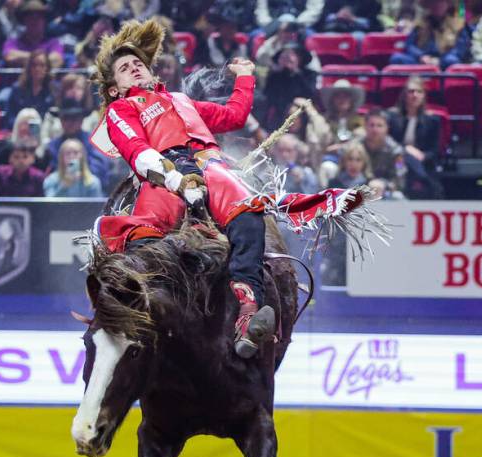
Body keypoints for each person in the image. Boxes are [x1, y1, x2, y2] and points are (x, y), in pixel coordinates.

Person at [89, 18, 371, 357]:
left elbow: (234, 116)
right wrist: (176, 179)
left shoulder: (182, 101)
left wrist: (245, 77)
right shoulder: (122, 108)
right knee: (144, 237)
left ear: (153, 73)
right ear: (114, 88)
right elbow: (136, 149)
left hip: (210, 165)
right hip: (161, 174)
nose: (135, 68)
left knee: (248, 213)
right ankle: (133, 318)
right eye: (124, 68)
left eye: (139, 64)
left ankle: (248, 313)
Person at [386, 76, 443, 198]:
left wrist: (422, 156)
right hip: (397, 161)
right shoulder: (391, 116)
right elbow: (387, 141)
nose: (414, 95)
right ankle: (423, 181)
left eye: (419, 92)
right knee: (403, 159)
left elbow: (434, 150)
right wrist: (406, 148)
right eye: (411, 91)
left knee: (417, 165)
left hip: (422, 163)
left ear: (423, 96)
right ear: (404, 95)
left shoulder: (432, 120)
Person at [46, 99, 110, 190]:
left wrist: (82, 175)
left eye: (74, 118)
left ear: (81, 119)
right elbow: (49, 175)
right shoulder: (53, 146)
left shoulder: (95, 143)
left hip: (88, 191)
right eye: (66, 118)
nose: (70, 122)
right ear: (60, 120)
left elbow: (100, 171)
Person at [391, 0, 464, 69]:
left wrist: (439, 60)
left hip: (443, 61)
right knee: (397, 58)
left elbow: (460, 49)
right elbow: (409, 45)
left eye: (441, 2)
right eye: (434, 3)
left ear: (448, 4)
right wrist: (421, 56)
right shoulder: (420, 24)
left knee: (452, 60)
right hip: (420, 61)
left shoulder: (457, 25)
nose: (437, 6)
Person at [261, 43, 318, 131]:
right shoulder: (275, 75)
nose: (287, 59)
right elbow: (267, 95)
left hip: (301, 111)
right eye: (284, 56)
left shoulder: (309, 74)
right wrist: (276, 75)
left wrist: (296, 72)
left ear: (300, 58)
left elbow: (310, 93)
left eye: (292, 55)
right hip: (278, 111)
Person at [318, 80, 366, 184]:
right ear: (333, 100)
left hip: (353, 159)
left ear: (351, 100)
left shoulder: (359, 120)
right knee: (326, 167)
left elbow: (361, 139)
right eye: (338, 97)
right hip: (332, 159)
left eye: (345, 97)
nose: (342, 100)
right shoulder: (325, 120)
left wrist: (341, 147)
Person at [2, 0, 65, 68]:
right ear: (24, 20)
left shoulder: (54, 43)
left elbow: (57, 60)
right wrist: (43, 60)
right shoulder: (12, 43)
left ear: (44, 21)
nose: (34, 21)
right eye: (30, 17)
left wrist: (24, 59)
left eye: (38, 17)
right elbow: (9, 56)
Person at [3, 50, 55, 129]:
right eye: (34, 65)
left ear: (47, 68)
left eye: (42, 65)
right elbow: (10, 116)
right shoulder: (17, 89)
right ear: (29, 68)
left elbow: (55, 118)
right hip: (20, 131)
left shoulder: (53, 90)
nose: (37, 69)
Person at [361, 108, 407, 194]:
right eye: (371, 125)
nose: (375, 129)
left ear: (387, 128)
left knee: (398, 197)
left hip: (385, 192)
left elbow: (400, 177)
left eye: (379, 125)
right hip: (357, 188)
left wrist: (385, 185)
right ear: (365, 126)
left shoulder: (396, 152)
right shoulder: (356, 145)